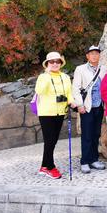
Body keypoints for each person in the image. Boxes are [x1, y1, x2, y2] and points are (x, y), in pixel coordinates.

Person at [35, 51, 76, 179]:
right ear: (47, 64)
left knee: (53, 141)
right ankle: (50, 167)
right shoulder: (43, 77)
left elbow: (69, 93)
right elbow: (39, 91)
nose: (55, 64)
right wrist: (47, 75)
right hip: (47, 113)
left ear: (61, 63)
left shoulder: (65, 77)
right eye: (51, 62)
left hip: (60, 112)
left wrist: (72, 102)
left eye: (57, 61)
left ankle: (44, 166)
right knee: (50, 140)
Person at [72, 45, 107, 174]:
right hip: (86, 106)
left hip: (99, 105)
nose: (94, 55)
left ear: (99, 55)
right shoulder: (80, 69)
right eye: (91, 53)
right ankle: (85, 161)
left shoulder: (103, 68)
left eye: (96, 53)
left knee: (96, 133)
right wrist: (80, 105)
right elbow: (75, 88)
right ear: (87, 56)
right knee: (86, 134)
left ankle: (94, 159)